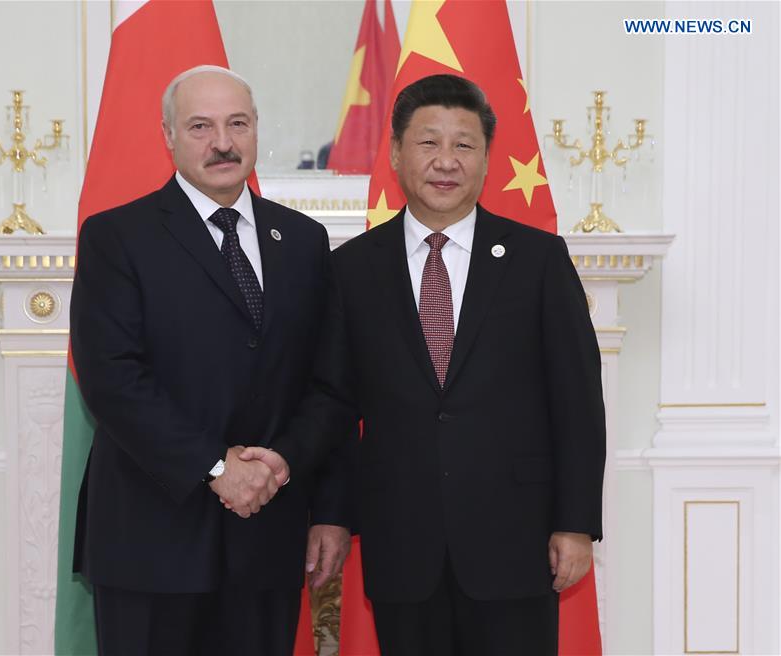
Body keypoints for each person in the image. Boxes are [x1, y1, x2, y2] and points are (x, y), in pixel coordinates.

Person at [253, 74, 606, 655]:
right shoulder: (353, 269)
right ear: (396, 153)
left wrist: (575, 522)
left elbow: (577, 400)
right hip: (402, 543)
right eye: (428, 143)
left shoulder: (538, 260)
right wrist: (330, 512)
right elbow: (337, 403)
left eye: (464, 145)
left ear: (487, 158)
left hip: (514, 541)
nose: (446, 161)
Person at [69, 65, 353, 656]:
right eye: (200, 126)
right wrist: (219, 469)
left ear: (255, 132)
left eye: (237, 124)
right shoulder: (117, 236)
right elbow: (113, 379)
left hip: (268, 536)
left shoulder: (303, 240)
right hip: (151, 539)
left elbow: (329, 384)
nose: (222, 143)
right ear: (168, 135)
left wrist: (307, 489)